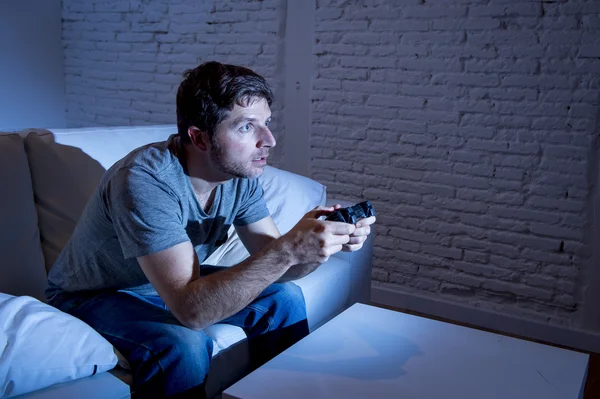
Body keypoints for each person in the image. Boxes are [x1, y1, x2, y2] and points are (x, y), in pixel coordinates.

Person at [46, 61, 376, 398]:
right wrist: (287, 249)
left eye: (266, 124)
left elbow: (280, 268)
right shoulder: (144, 181)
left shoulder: (240, 176)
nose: (269, 140)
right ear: (200, 137)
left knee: (284, 298)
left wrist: (316, 245)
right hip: (93, 294)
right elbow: (192, 312)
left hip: (166, 281)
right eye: (247, 127)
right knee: (184, 344)